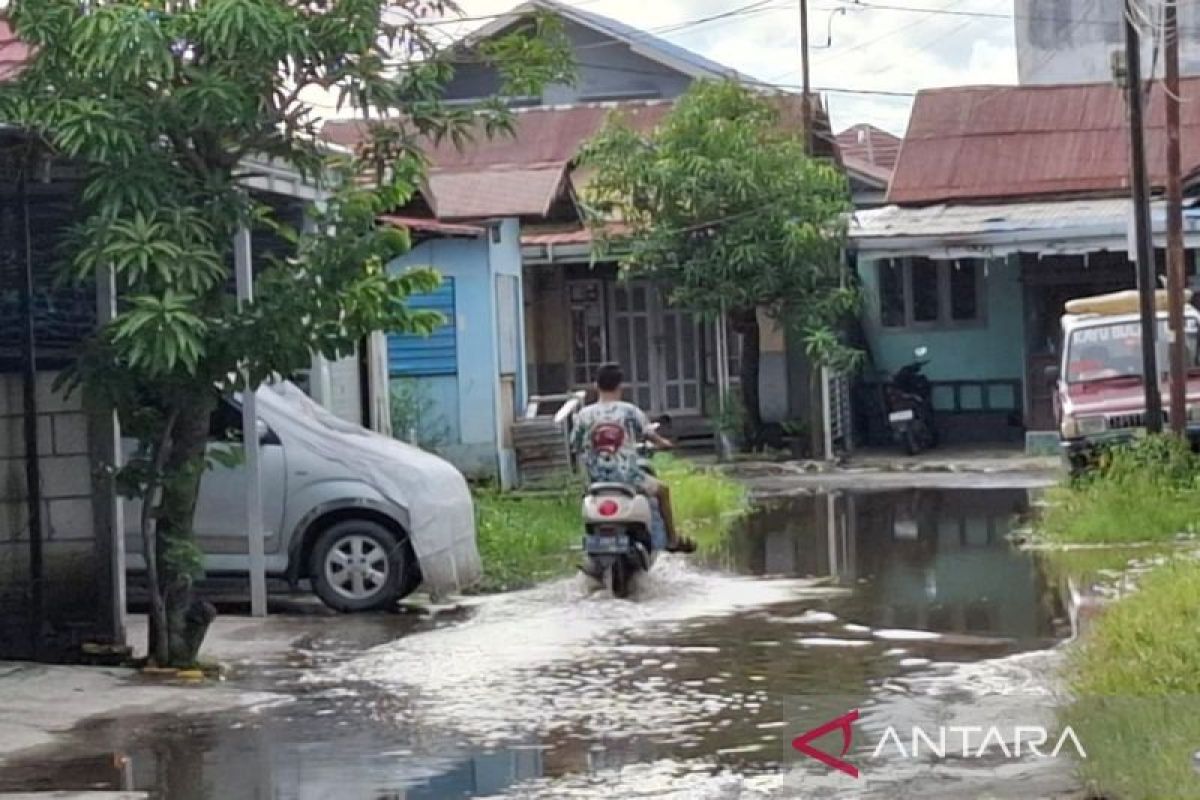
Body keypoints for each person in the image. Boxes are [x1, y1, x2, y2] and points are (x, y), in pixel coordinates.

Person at [571, 363, 697, 553]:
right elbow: (650, 434)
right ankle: (672, 539)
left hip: (596, 480)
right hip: (628, 478)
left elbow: (575, 444)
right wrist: (664, 443)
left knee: (587, 504)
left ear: (596, 385)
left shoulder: (583, 415)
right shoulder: (630, 411)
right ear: (620, 386)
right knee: (663, 491)